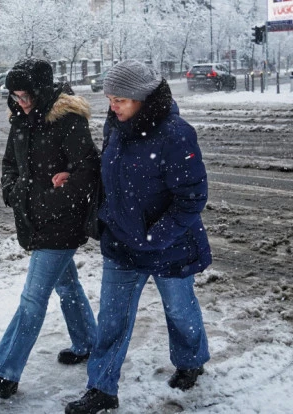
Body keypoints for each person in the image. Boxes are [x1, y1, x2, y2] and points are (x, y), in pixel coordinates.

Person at [65, 60, 212, 414]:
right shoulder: (115, 126)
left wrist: (154, 236)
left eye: (120, 100)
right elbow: (109, 175)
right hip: (120, 242)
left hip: (168, 245)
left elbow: (192, 197)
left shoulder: (176, 134)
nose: (112, 107)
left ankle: (191, 361)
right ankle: (101, 388)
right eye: (109, 99)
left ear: (142, 98)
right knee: (112, 320)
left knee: (180, 310)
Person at [0, 58, 100, 400]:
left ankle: (6, 371)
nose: (21, 102)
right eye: (15, 96)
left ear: (42, 90)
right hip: (33, 218)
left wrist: (50, 199)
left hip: (61, 222)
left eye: (26, 95)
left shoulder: (68, 120)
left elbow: (87, 170)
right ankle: (88, 342)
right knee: (67, 284)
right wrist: (13, 192)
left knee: (33, 298)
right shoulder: (20, 119)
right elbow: (9, 164)